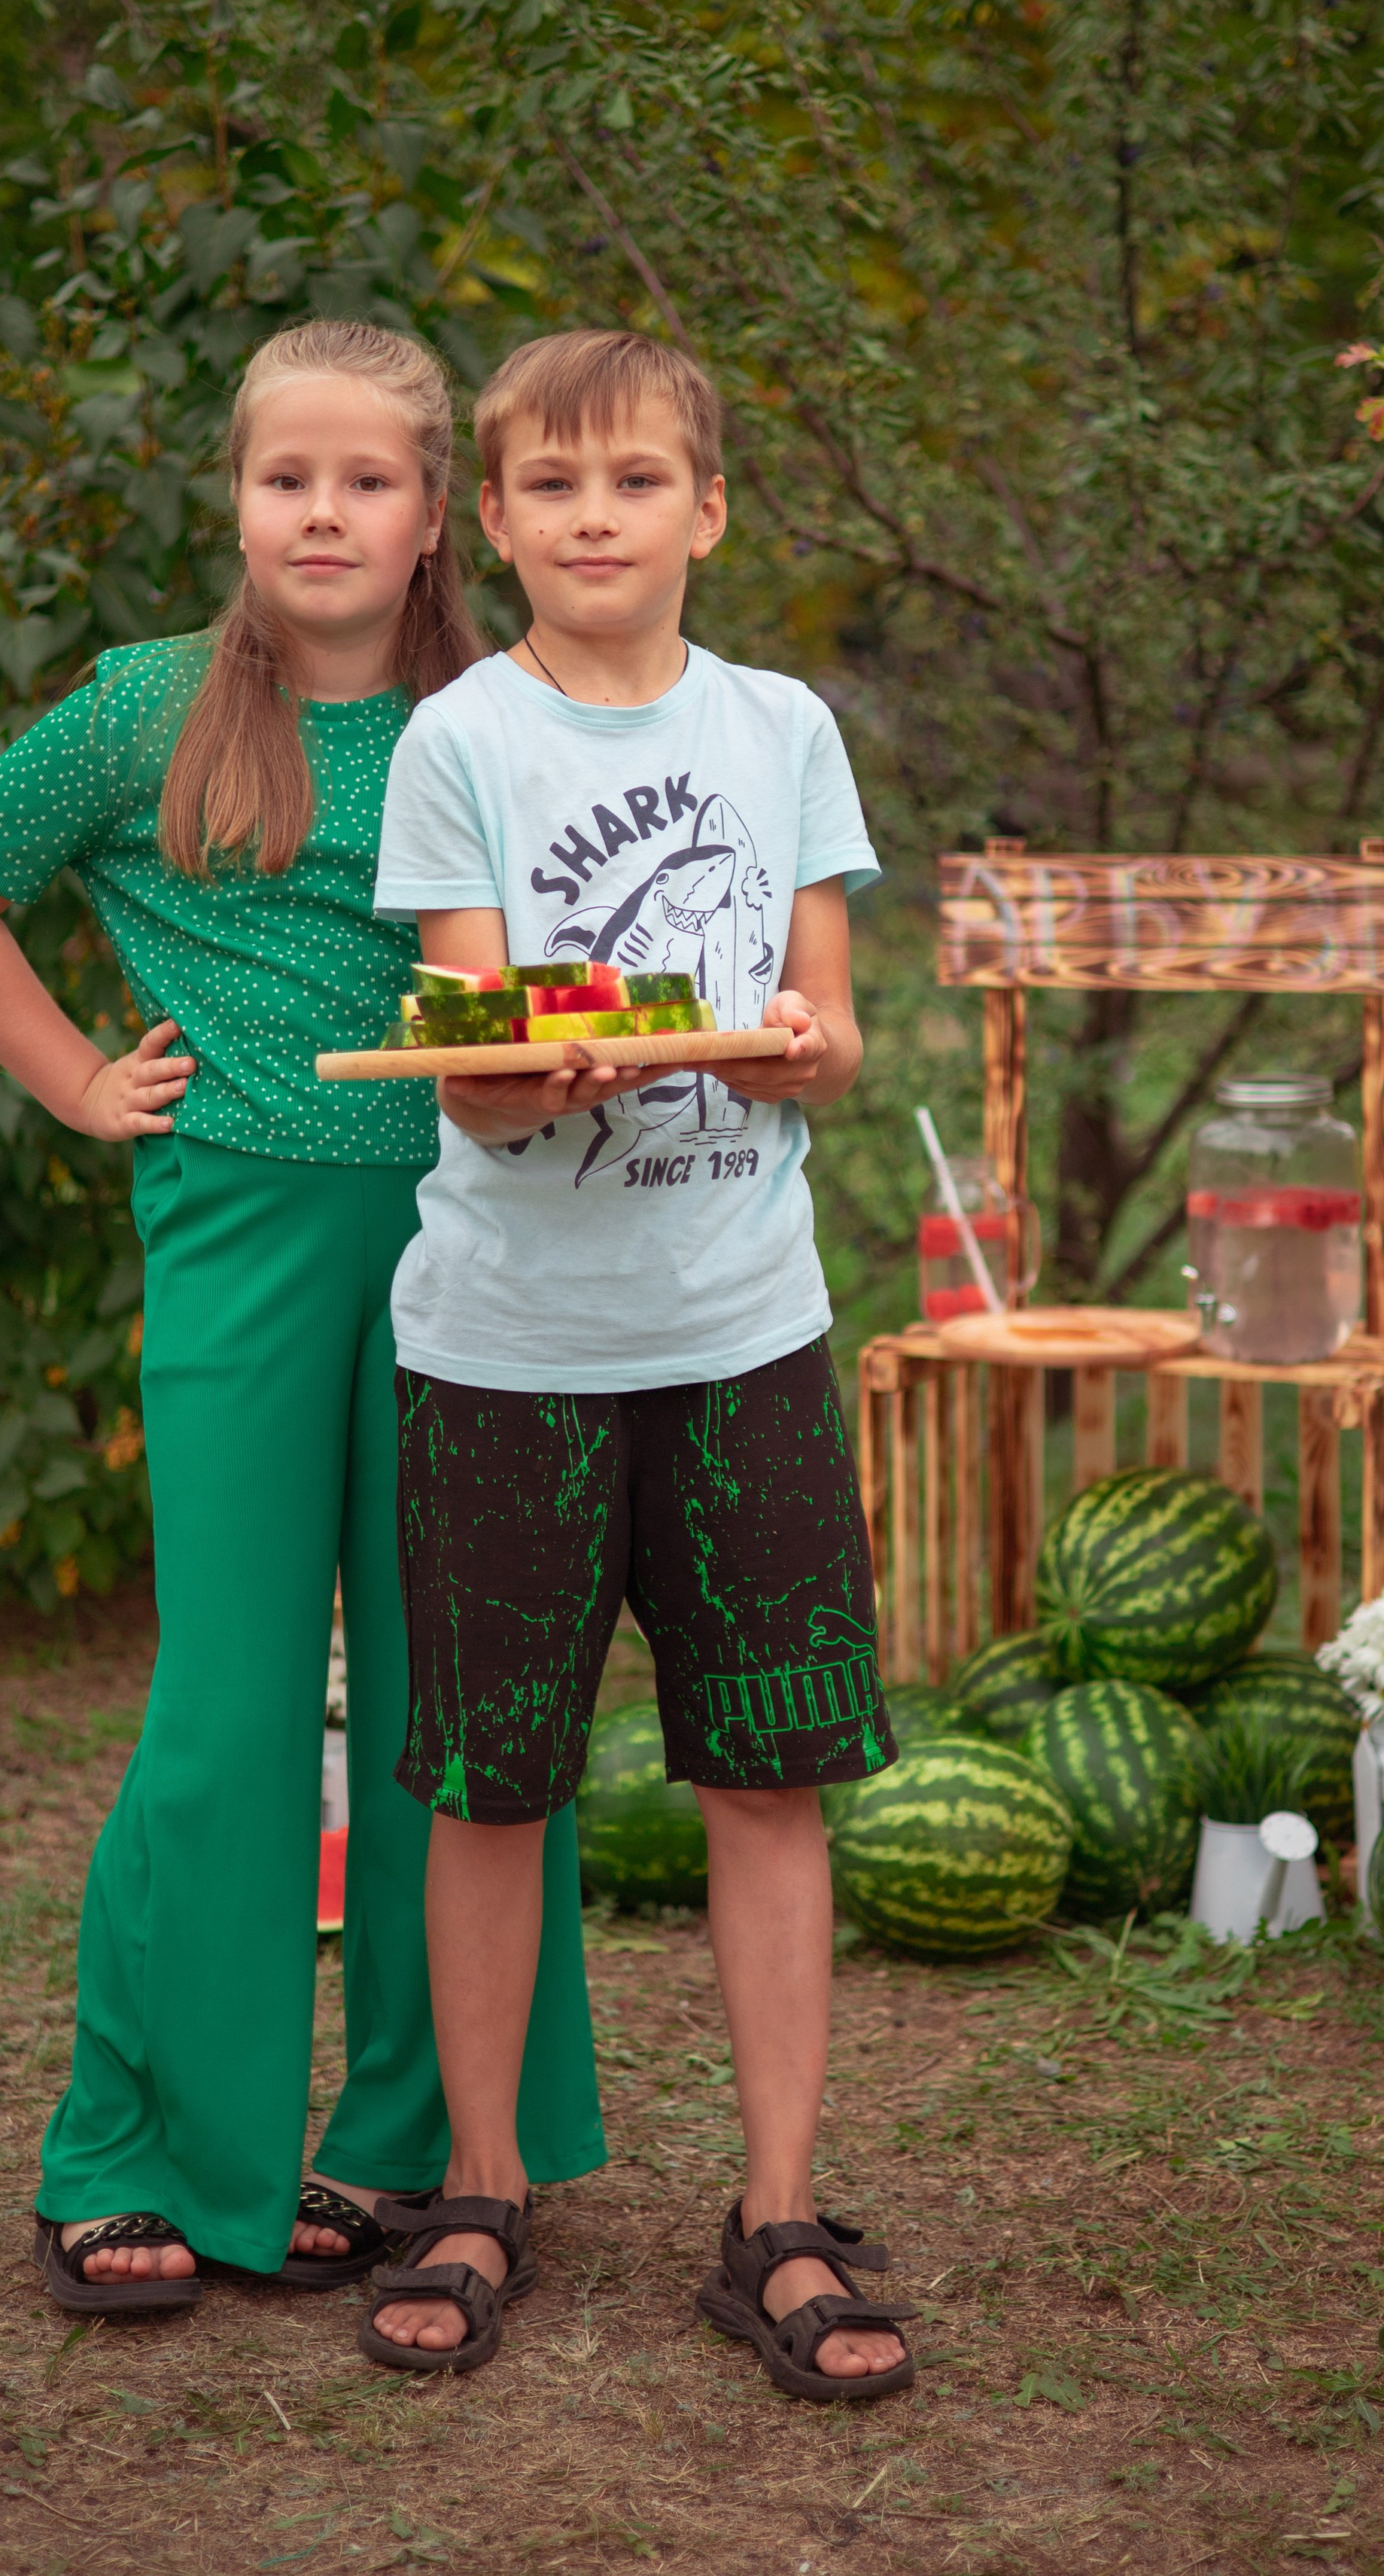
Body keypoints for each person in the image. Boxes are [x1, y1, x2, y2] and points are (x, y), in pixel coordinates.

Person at [0, 318, 604, 2315]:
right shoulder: (149, 712)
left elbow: (569, 952)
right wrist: (72, 1079)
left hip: (480, 1243)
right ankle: (137, 2152)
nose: (325, 513)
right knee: (231, 1701)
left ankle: (417, 2144)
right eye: (290, 478)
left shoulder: (503, 715)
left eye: (369, 480)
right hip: (243, 1236)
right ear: (238, 500)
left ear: (438, 514)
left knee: (455, 1702)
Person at [357, 327, 916, 2401]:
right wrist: (535, 1074)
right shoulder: (461, 742)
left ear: (709, 510)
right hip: (505, 1347)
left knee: (771, 1773)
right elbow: (470, 1059)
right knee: (494, 1780)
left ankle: (777, 2215)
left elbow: (826, 1029)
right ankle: (481, 2186)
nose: (596, 518)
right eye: (553, 487)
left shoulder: (785, 728)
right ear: (495, 524)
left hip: (744, 1331)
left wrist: (779, 1045)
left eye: (637, 481)